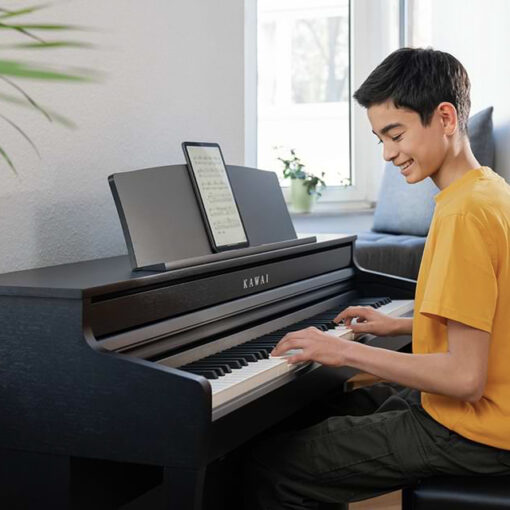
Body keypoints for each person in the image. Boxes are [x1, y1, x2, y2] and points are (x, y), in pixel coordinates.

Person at [245, 47, 510, 510]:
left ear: (445, 118)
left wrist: (338, 348)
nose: (388, 153)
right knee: (322, 412)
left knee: (274, 465)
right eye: (379, 139)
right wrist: (404, 326)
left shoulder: (465, 213)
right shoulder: (488, 190)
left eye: (396, 134)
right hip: (488, 414)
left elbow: (465, 378)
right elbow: (493, 316)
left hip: (475, 429)